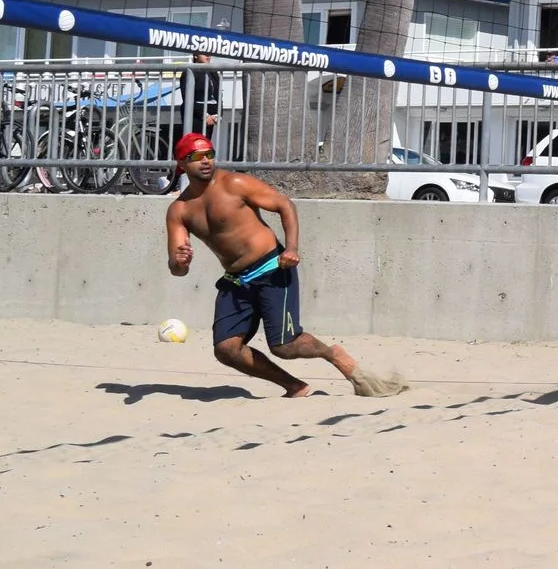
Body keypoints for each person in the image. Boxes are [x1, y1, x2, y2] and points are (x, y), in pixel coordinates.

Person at [163, 133, 404, 399]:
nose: (206, 160)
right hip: (236, 281)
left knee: (285, 346)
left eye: (209, 154)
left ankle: (333, 354)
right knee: (226, 349)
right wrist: (179, 261)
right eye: (196, 157)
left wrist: (291, 248)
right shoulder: (179, 210)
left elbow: (284, 204)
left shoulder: (234, 183)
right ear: (181, 164)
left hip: (272, 269)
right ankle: (294, 386)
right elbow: (178, 268)